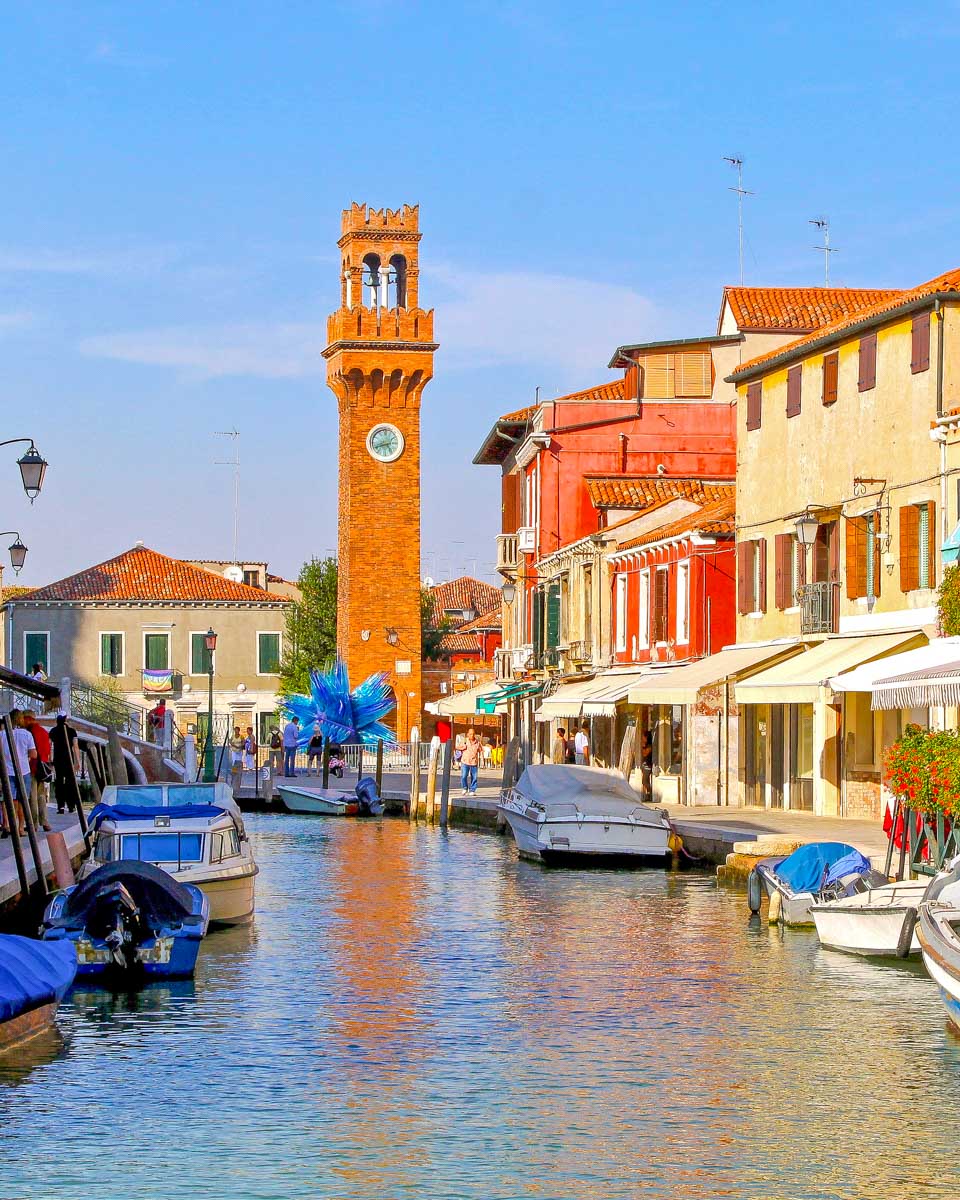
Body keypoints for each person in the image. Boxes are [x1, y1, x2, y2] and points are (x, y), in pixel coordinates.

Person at [1, 709, 36, 837]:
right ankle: (21, 828)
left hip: (7, 771)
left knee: (8, 799)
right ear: (21, 719)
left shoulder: (2, 735)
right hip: (23, 771)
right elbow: (33, 754)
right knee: (22, 801)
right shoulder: (27, 735)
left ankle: (8, 825)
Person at [21, 710, 52, 832]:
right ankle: (44, 822)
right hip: (43, 769)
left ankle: (33, 824)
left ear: (28, 719)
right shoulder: (44, 732)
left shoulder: (29, 733)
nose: (21, 722)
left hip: (32, 767)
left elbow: (31, 752)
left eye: (23, 719)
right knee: (41, 796)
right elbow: (48, 751)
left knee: (31, 796)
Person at [50, 711, 80, 814]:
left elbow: (50, 746)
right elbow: (75, 747)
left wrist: (50, 760)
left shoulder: (53, 731)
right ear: (66, 719)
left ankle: (61, 806)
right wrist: (77, 761)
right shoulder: (72, 731)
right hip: (69, 760)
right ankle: (71, 806)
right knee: (70, 782)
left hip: (57, 760)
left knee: (59, 782)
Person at [459, 727, 482, 796]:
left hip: (473, 762)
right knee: (464, 776)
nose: (472, 735)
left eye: (473, 734)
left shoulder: (477, 742)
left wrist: (481, 758)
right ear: (468, 734)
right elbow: (457, 747)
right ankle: (465, 788)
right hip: (465, 761)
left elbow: (480, 750)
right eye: (470, 734)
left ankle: (472, 790)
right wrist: (462, 748)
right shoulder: (464, 741)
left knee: (474, 777)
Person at [640, 730, 654, 798]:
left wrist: (642, 746)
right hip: (644, 765)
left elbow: (645, 754)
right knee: (646, 781)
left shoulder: (649, 746)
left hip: (648, 766)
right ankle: (647, 795)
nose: (642, 738)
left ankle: (651, 792)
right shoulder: (646, 745)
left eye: (643, 736)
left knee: (644, 781)